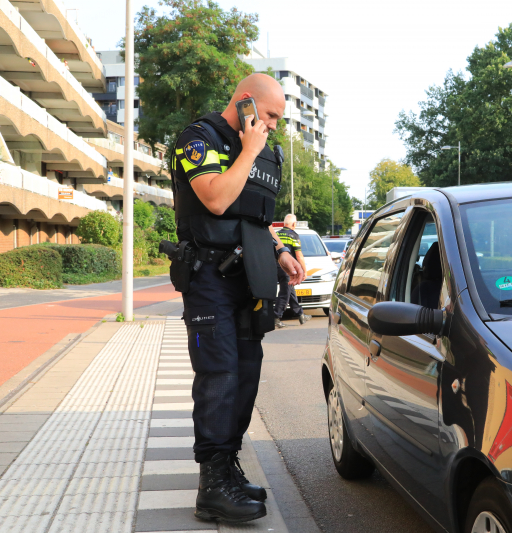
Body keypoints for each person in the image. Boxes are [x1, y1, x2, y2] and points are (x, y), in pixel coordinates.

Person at [169, 73, 305, 523]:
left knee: (246, 373)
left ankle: (228, 466)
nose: (272, 127)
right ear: (246, 103)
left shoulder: (265, 154)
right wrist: (247, 149)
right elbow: (216, 200)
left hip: (249, 276)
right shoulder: (199, 138)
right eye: (269, 116)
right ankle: (212, 485)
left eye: (277, 120)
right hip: (208, 277)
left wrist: (281, 252)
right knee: (220, 374)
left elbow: (253, 217)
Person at [273, 214, 311, 327]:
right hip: (287, 268)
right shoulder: (293, 235)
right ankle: (276, 317)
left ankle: (300, 315)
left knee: (290, 290)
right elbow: (299, 256)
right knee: (285, 293)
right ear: (294, 224)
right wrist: (304, 271)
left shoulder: (277, 234)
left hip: (276, 266)